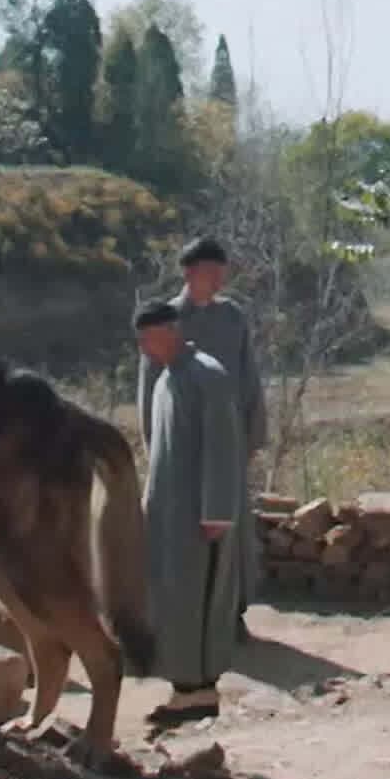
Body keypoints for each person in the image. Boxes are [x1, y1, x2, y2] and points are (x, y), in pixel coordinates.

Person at [133, 296, 247, 726]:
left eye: (149, 338)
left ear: (171, 331)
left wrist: (216, 512)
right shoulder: (166, 378)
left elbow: (222, 446)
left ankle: (199, 690)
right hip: (168, 513)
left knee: (199, 598)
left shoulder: (207, 376)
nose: (145, 348)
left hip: (200, 516)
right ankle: (185, 690)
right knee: (174, 600)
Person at [144, 236, 267, 613]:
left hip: (227, 446)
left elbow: (249, 379)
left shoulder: (232, 317)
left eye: (221, 273)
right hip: (182, 449)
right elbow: (150, 391)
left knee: (232, 535)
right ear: (189, 273)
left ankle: (232, 612)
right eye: (211, 273)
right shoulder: (165, 319)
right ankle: (184, 615)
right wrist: (155, 449)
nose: (218, 281)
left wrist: (251, 437)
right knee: (183, 535)